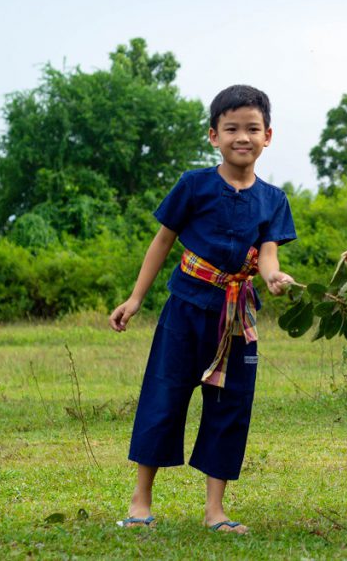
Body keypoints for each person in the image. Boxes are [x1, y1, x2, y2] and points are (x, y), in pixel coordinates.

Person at [108, 84, 296, 534]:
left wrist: (273, 277)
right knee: (164, 397)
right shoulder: (193, 185)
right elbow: (162, 241)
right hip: (186, 309)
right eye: (231, 128)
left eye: (252, 128)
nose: (242, 137)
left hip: (237, 321)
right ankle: (140, 502)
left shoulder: (273, 199)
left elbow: (267, 252)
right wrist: (135, 299)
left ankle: (216, 511)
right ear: (214, 135)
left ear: (268, 136)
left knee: (230, 407)